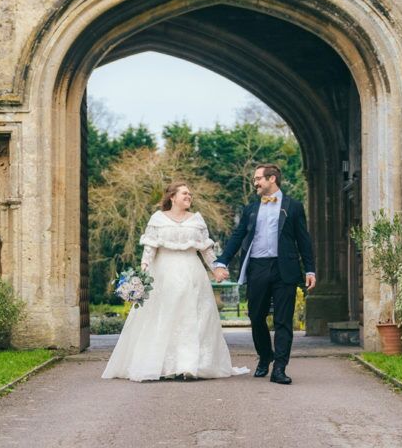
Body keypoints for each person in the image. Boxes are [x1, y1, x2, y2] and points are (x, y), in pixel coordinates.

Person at [102, 181, 249, 381]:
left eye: (190, 194)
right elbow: (149, 248)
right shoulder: (158, 219)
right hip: (163, 275)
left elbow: (206, 249)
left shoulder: (197, 220)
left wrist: (216, 269)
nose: (189, 196)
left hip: (193, 275)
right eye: (185, 194)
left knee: (192, 320)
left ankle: (188, 366)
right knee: (163, 319)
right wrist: (143, 271)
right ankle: (162, 365)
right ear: (172, 197)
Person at [213, 164, 315, 385]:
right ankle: (265, 355)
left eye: (258, 179)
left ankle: (279, 368)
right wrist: (222, 260)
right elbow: (237, 236)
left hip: (284, 269)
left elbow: (303, 240)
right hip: (257, 267)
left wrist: (310, 269)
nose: (255, 183)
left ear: (272, 179)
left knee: (283, 321)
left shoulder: (294, 206)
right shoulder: (250, 209)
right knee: (256, 316)